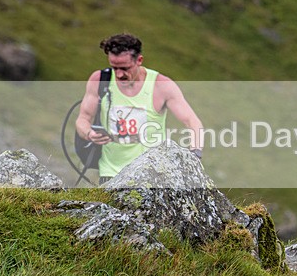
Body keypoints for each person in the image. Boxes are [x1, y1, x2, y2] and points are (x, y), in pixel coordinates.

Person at [75, 33, 204, 183]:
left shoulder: (161, 85)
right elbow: (82, 119)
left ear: (139, 60)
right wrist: (89, 133)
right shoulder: (100, 80)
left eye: (125, 68)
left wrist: (195, 155)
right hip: (110, 174)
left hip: (153, 176)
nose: (119, 74)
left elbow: (192, 122)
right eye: (114, 67)